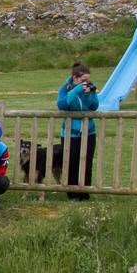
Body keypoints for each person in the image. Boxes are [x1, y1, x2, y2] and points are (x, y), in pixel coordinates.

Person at [57, 62, 100, 201]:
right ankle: (72, 194)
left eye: (88, 80)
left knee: (87, 163)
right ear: (75, 78)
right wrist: (76, 90)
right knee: (71, 163)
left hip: (89, 132)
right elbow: (62, 104)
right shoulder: (65, 88)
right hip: (70, 133)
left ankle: (85, 193)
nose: (86, 83)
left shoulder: (89, 88)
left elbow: (94, 106)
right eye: (83, 80)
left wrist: (89, 94)